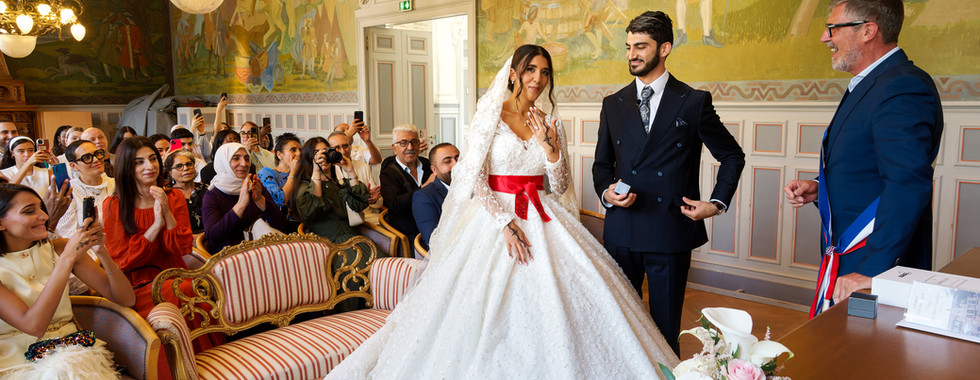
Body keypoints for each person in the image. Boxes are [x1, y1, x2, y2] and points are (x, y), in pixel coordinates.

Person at [325, 44, 679, 379]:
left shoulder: (551, 122)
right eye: (530, 70)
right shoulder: (491, 115)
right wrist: (504, 223)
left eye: (544, 72)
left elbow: (558, 184)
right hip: (494, 216)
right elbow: (476, 176)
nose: (537, 79)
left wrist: (550, 149)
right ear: (513, 74)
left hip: (543, 212)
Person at [592, 11, 745, 355]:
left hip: (669, 231)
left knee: (664, 330)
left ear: (665, 48)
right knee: (621, 325)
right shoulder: (612, 104)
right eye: (629, 46)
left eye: (641, 46)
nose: (632, 54)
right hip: (622, 232)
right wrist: (606, 192)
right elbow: (602, 165)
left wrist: (716, 202)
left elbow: (733, 155)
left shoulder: (692, 102)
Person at [783, 0, 942, 318]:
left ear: (868, 30)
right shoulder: (874, 84)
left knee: (860, 363)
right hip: (849, 257)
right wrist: (818, 188)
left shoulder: (903, 87)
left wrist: (873, 271)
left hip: (870, 264)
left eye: (832, 28)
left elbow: (906, 183)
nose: (825, 38)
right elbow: (869, 164)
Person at [103, 137, 222, 355]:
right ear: (127, 168)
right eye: (139, 162)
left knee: (195, 294)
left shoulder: (173, 196)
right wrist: (156, 225)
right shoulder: (114, 205)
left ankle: (209, 360)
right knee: (184, 293)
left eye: (152, 159)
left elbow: (181, 249)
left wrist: (166, 212)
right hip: (137, 284)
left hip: (173, 273)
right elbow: (123, 259)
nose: (149, 166)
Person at [0, 183, 135, 377]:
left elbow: (126, 299)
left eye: (41, 208)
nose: (45, 216)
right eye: (29, 211)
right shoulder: (65, 253)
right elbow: (33, 326)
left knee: (67, 368)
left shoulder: (60, 248)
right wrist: (66, 259)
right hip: (16, 363)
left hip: (73, 350)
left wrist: (101, 252)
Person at [202, 143, 289, 252]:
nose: (244, 164)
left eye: (247, 159)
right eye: (236, 159)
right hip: (230, 256)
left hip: (262, 250)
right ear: (223, 162)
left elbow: (281, 224)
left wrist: (260, 200)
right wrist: (241, 205)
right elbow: (213, 238)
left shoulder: (255, 187)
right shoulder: (213, 195)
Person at [294, 137, 369, 243]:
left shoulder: (338, 183)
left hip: (355, 238)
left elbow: (358, 205)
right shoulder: (305, 187)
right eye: (317, 153)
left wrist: (350, 171)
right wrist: (316, 169)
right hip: (330, 244)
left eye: (326, 152)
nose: (323, 157)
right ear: (310, 158)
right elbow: (311, 212)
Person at [379, 124, 432, 239]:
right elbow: (395, 204)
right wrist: (424, 187)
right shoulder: (388, 173)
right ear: (394, 148)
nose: (410, 147)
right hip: (409, 230)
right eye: (403, 143)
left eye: (414, 142)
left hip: (433, 221)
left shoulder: (429, 165)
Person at [55, 140, 114, 241]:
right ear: (74, 166)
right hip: (86, 251)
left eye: (97, 154)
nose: (96, 160)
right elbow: (68, 235)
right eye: (87, 157)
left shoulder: (116, 185)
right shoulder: (69, 191)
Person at [327, 131, 381, 225]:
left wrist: (373, 199)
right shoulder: (328, 171)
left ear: (350, 146)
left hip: (370, 217)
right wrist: (362, 199)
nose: (343, 151)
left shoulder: (362, 166)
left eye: (345, 146)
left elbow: (378, 203)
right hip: (346, 222)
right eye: (337, 148)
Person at [412, 142, 459, 250]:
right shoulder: (423, 197)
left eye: (458, 159)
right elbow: (434, 241)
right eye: (447, 161)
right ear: (434, 170)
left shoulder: (475, 187)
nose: (456, 164)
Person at [257, 133, 302, 226]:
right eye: (293, 150)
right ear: (279, 155)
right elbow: (280, 201)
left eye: (300, 150)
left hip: (301, 225)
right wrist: (293, 172)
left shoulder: (302, 175)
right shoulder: (266, 173)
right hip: (276, 227)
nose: (299, 153)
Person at [165, 150, 208, 234]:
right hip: (180, 240)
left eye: (189, 164)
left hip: (207, 238)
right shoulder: (167, 194)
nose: (185, 168)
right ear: (170, 172)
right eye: (178, 166)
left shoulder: (206, 190)